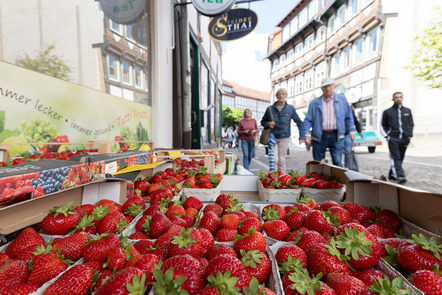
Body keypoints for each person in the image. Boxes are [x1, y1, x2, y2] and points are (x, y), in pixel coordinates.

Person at [304, 77, 356, 167]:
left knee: (337, 161)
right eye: (325, 87)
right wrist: (306, 133)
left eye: (329, 86)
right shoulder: (314, 103)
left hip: (337, 135)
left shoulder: (341, 99)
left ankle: (337, 181)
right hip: (319, 136)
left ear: (334, 86)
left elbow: (348, 117)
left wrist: (351, 130)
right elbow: (308, 119)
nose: (327, 89)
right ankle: (318, 180)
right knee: (318, 162)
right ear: (321, 89)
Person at [261, 88, 305, 173]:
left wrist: (302, 136)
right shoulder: (270, 108)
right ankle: (273, 177)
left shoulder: (290, 108)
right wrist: (268, 123)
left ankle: (282, 178)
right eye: (279, 94)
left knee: (282, 160)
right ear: (276, 96)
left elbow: (299, 122)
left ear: (286, 96)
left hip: (285, 137)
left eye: (283, 94)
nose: (281, 96)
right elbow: (263, 121)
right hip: (272, 136)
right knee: (274, 159)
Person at [380, 92, 414, 184]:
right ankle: (400, 175)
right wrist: (387, 136)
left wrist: (410, 135)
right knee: (396, 158)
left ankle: (391, 174)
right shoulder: (387, 112)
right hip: (393, 138)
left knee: (401, 157)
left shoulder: (407, 111)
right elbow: (382, 125)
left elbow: (411, 124)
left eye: (400, 97)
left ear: (402, 98)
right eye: (396, 97)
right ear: (393, 99)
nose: (398, 99)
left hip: (405, 138)